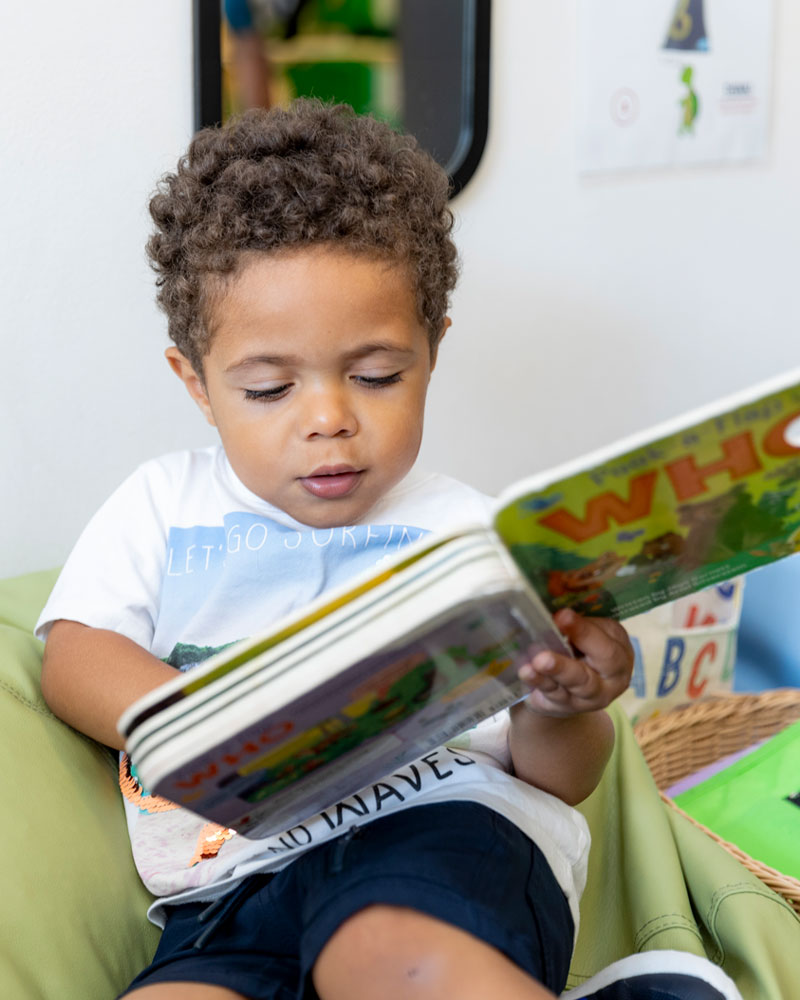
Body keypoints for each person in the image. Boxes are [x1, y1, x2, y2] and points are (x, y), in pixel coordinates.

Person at [37, 99, 634, 1000]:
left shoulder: (474, 534)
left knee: (386, 959)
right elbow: (73, 656)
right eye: (270, 388)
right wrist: (214, 724)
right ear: (196, 384)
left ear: (432, 351)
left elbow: (562, 782)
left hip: (441, 841)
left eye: (375, 376)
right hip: (231, 887)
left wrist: (564, 704)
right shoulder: (163, 503)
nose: (329, 419)